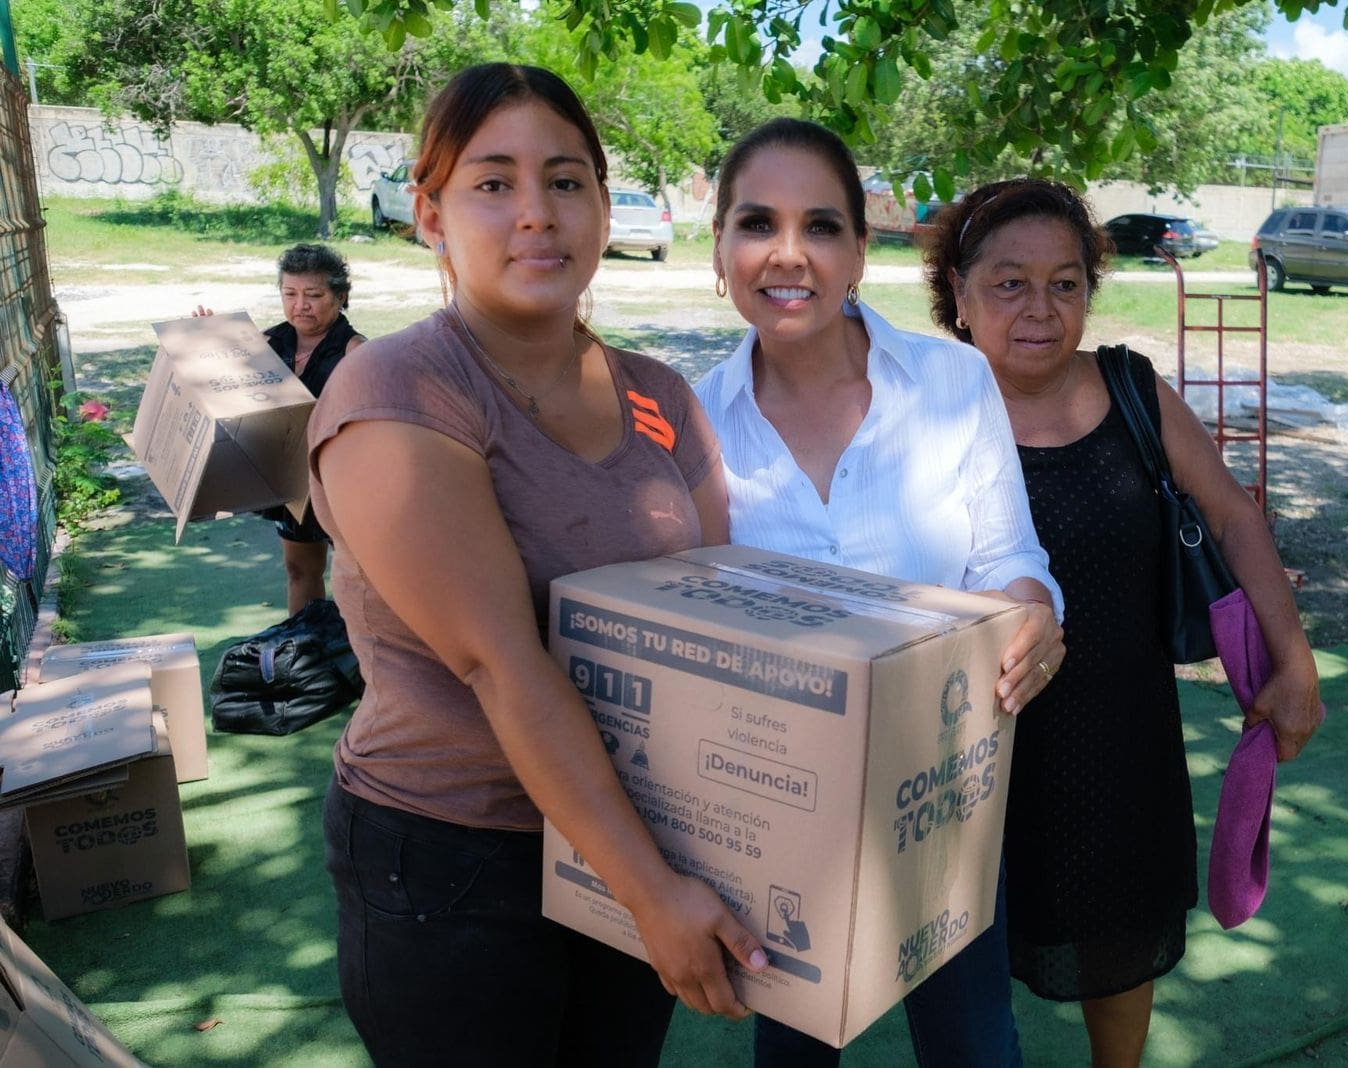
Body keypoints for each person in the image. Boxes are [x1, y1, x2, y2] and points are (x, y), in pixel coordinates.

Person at [306, 63, 766, 1066]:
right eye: (492, 183)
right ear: (430, 215)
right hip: (453, 862)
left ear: (605, 205)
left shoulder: (657, 397)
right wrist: (653, 895)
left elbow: (717, 616)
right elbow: (500, 665)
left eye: (566, 182)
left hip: (629, 838)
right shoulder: (402, 389)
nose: (536, 216)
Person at [923, 178, 1323, 1067]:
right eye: (1008, 282)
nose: (1039, 309)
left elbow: (1233, 516)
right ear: (958, 291)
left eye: (1065, 284)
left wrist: (1292, 656)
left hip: (1120, 742)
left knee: (1118, 954)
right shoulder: (923, 405)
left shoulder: (1133, 392)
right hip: (971, 749)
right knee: (967, 981)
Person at [693, 118, 1066, 1068]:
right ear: (720, 248)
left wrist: (1033, 611)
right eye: (756, 224)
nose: (788, 255)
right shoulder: (695, 420)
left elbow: (1009, 557)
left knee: (974, 1047)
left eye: (821, 226)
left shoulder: (952, 380)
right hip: (776, 819)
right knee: (796, 1051)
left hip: (939, 798)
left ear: (861, 249)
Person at [194, 243, 364, 613]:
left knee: (360, 576)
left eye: (314, 295)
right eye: (290, 293)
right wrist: (206, 343)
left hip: (342, 484)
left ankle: (366, 660)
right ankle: (304, 654)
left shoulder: (357, 352)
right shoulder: (267, 343)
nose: (300, 305)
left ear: (341, 297)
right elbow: (227, 394)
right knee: (299, 571)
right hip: (289, 482)